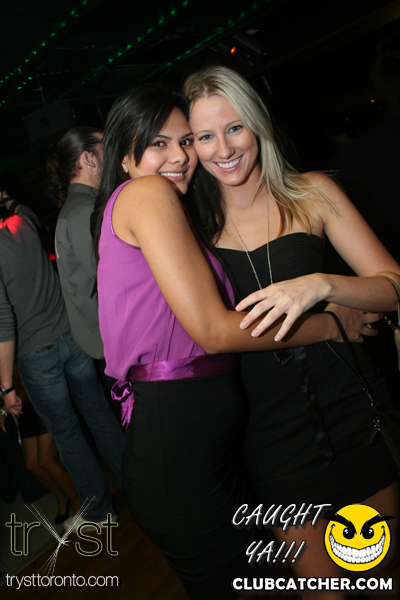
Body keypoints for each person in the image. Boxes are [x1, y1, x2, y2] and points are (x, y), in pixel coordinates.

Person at [91, 83, 380, 600]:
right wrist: (331, 321)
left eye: (187, 141)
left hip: (225, 447)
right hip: (196, 450)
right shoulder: (154, 197)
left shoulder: (181, 212)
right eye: (160, 143)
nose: (181, 156)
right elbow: (214, 330)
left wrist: (325, 288)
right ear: (124, 154)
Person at [183, 65, 400, 598]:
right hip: (269, 437)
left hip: (354, 414)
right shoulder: (192, 231)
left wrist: (323, 284)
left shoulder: (313, 193)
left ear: (257, 124)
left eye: (234, 128)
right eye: (205, 136)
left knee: (381, 580)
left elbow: (393, 285)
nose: (222, 149)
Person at [0, 191, 124, 530]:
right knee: (98, 413)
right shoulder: (24, 222)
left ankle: (100, 511)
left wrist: (7, 386)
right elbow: (22, 207)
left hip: (37, 355)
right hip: (71, 336)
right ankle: (134, 482)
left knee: (68, 435)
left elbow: (4, 320)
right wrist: (6, 197)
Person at [47, 126, 104, 360]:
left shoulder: (75, 208)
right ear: (88, 158)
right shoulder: (85, 210)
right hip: (114, 343)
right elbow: (111, 280)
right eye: (106, 148)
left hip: (101, 343)